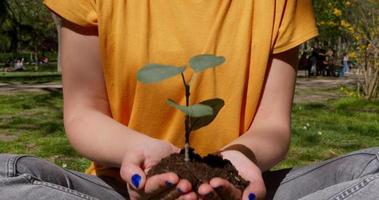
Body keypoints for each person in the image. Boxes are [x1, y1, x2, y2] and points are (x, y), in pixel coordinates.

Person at [0, 1, 378, 200]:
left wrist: (238, 160)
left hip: (236, 188)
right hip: (121, 191)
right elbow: (83, 112)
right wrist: (142, 154)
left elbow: (273, 125)